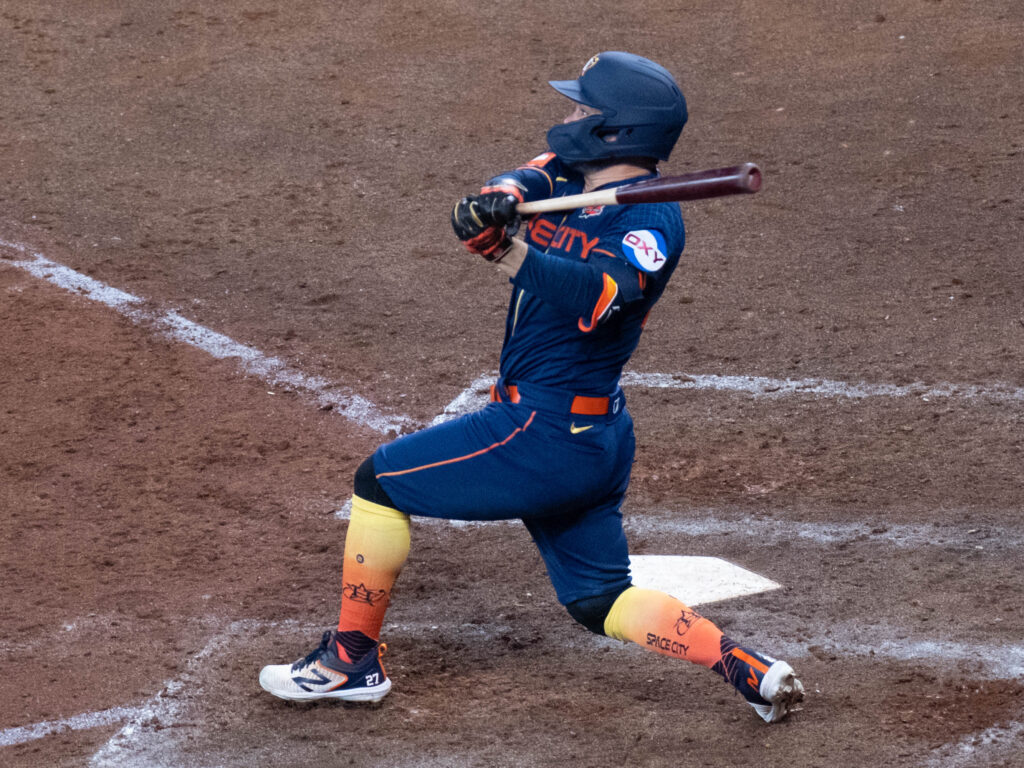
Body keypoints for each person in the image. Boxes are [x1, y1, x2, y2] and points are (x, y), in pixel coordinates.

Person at [259, 51, 804, 723]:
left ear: (616, 130)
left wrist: (505, 251)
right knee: (597, 601)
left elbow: (599, 295)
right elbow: (526, 174)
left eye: (582, 109)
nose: (568, 116)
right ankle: (747, 667)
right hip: (594, 440)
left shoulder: (652, 223)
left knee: (379, 483)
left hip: (541, 434)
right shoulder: (573, 174)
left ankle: (349, 662)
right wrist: (503, 199)